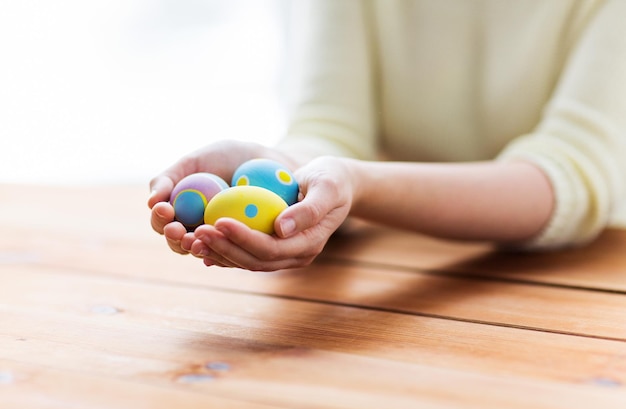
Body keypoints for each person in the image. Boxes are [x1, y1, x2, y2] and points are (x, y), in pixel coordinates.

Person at [148, 0, 626, 271]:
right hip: (393, 261)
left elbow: (569, 178)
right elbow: (331, 126)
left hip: (586, 274)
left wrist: (356, 186)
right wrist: (286, 167)